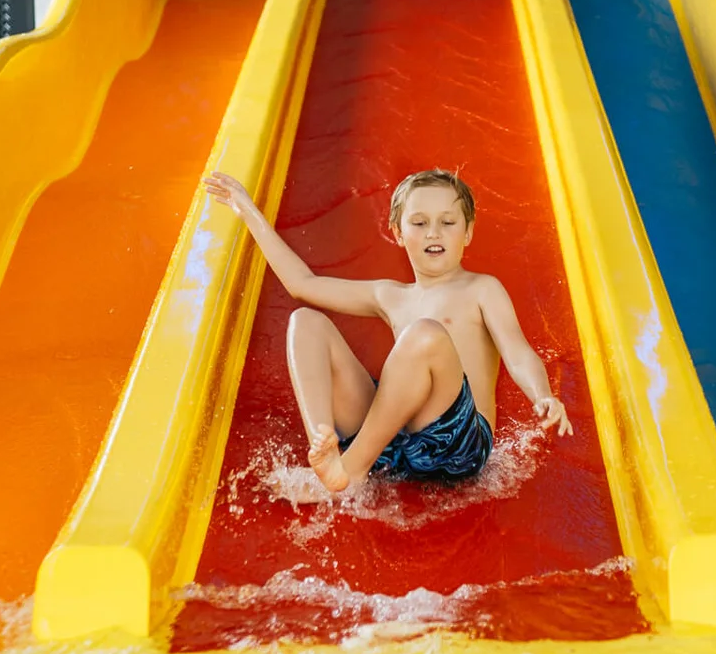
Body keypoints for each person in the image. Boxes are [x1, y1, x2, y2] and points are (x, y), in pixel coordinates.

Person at [201, 167, 572, 493]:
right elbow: (302, 284)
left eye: (447, 222)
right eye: (419, 223)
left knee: (424, 335)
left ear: (468, 232)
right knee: (306, 322)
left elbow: (517, 352)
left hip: (457, 444)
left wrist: (542, 395)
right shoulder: (390, 296)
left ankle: (350, 471)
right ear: (397, 232)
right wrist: (246, 210)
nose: (433, 233)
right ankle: (325, 449)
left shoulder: (482, 289)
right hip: (395, 443)